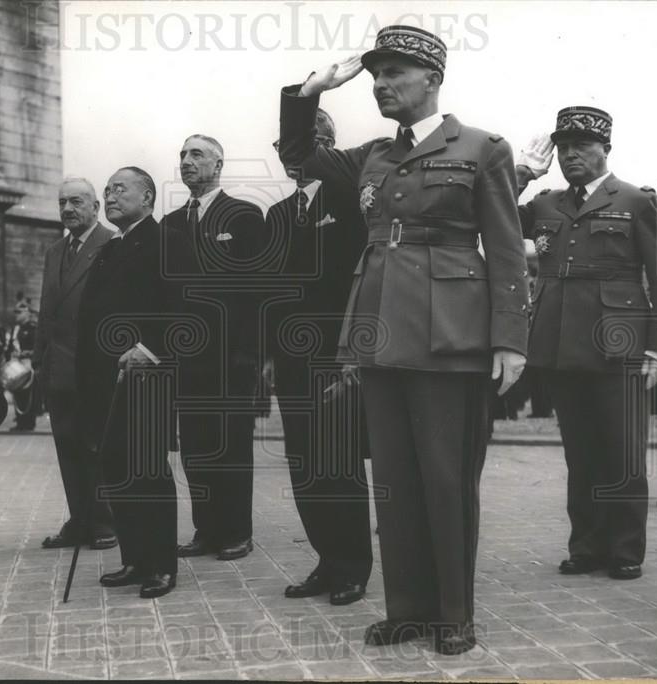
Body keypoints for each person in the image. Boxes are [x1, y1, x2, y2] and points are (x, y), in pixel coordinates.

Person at [278, 25, 530, 654]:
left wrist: (511, 339)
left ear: (432, 80)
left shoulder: (481, 148)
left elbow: (505, 251)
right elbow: (300, 158)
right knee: (393, 480)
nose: (381, 86)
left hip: (450, 337)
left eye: (394, 74)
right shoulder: (373, 155)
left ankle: (454, 615)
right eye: (374, 76)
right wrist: (309, 92)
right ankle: (409, 610)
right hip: (379, 333)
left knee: (445, 480)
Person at [514, 109, 657, 580]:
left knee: (622, 452)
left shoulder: (635, 201)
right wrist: (524, 172)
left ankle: (625, 549)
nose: (570, 155)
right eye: (563, 147)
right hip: (561, 343)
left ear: (605, 149)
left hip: (619, 345)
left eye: (581, 146)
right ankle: (585, 547)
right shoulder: (545, 205)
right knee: (580, 453)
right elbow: (492, 215)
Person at [265, 110, 372, 606]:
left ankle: (352, 566)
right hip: (291, 361)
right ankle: (326, 561)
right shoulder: (278, 215)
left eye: (315, 144)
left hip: (338, 356)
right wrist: (269, 354)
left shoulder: (352, 203)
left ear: (332, 149)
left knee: (339, 463)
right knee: (304, 465)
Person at [78, 166, 191, 599]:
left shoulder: (168, 242)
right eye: (106, 190)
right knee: (117, 467)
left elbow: (184, 305)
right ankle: (134, 557)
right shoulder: (109, 250)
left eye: (120, 189)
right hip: (106, 375)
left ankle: (161, 563)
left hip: (147, 371)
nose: (110, 195)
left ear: (147, 197)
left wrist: (150, 348)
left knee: (146, 468)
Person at [161, 135, 265, 562]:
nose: (186, 161)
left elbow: (257, 292)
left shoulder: (243, 216)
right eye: (182, 155)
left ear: (218, 164)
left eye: (196, 154)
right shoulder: (169, 223)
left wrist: (251, 356)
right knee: (195, 447)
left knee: (231, 445)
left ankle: (237, 530)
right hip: (186, 360)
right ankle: (206, 528)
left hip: (230, 358)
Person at [33, 177, 117, 550]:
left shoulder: (112, 244)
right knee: (66, 447)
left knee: (95, 447)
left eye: (77, 202)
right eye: (63, 202)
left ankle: (104, 522)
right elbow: (46, 312)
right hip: (58, 371)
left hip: (94, 369)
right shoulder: (54, 252)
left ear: (96, 207)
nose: (68, 209)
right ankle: (79, 519)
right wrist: (39, 363)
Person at [5, 303, 39, 432]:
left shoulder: (32, 328)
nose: (17, 315)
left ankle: (28, 422)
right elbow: (10, 346)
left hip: (27, 363)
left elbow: (36, 347)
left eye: (20, 312)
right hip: (16, 363)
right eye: (16, 312)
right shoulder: (15, 328)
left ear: (27, 313)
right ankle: (20, 421)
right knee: (18, 393)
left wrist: (25, 353)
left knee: (27, 393)